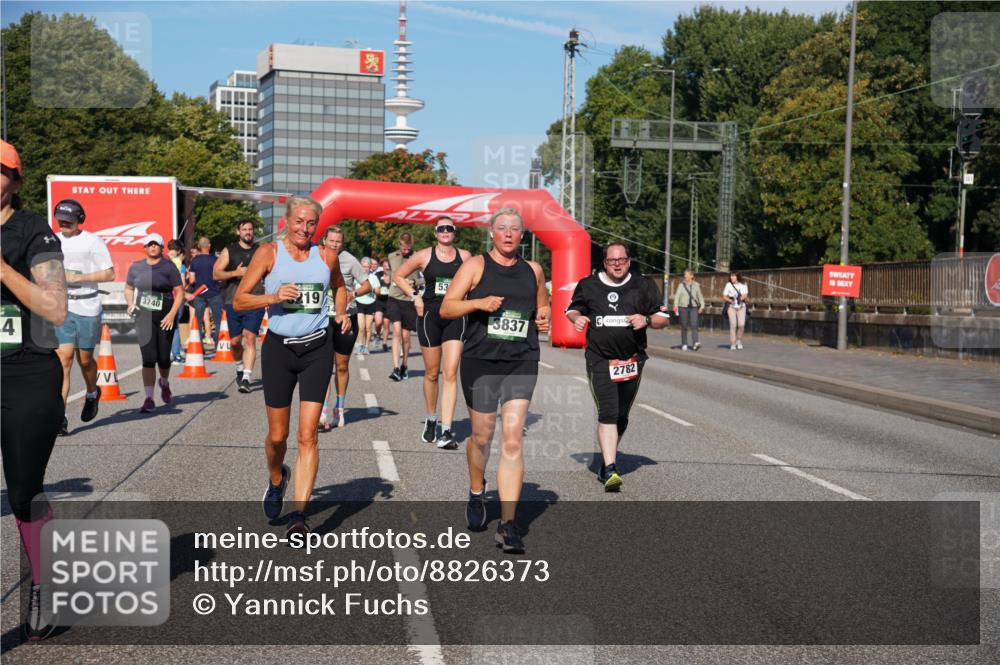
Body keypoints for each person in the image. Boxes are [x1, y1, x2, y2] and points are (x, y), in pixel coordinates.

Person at [234, 196, 348, 538]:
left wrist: (340, 312)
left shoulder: (326, 256)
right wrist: (273, 296)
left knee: (307, 435)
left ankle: (299, 516)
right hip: (279, 350)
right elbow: (240, 299)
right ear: (287, 220)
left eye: (311, 223)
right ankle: (276, 478)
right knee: (278, 436)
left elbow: (340, 288)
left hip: (317, 349)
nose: (305, 228)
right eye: (299, 221)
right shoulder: (269, 253)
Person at [440, 207, 550, 554]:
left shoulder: (533, 270)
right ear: (491, 233)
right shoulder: (474, 266)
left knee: (513, 439)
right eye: (501, 228)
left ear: (522, 235)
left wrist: (544, 317)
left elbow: (542, 306)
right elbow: (447, 308)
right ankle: (476, 489)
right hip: (481, 361)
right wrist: (478, 303)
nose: (507, 234)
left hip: (521, 360)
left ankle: (507, 524)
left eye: (514, 230)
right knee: (482, 437)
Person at [1, 139, 68, 640]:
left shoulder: (34, 233)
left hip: (25, 370)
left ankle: (44, 584)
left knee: (23, 492)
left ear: (15, 182)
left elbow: (55, 309)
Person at [565, 243, 670, 491]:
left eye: (621, 259)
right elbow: (572, 309)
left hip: (632, 360)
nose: (617, 264)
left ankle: (606, 458)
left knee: (621, 416)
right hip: (599, 358)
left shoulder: (642, 285)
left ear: (629, 261)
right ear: (604, 262)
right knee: (608, 412)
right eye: (612, 260)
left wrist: (646, 320)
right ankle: (611, 469)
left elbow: (663, 319)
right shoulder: (589, 284)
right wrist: (577, 318)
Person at [393, 217, 471, 449]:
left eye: (449, 228)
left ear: (454, 232)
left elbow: (477, 280)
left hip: (455, 317)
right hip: (430, 317)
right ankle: (431, 419)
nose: (445, 232)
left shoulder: (465, 257)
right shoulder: (424, 256)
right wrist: (414, 296)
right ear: (435, 233)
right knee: (432, 373)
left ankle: (446, 430)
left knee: (450, 372)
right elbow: (398, 276)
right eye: (441, 229)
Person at [52, 198, 114, 435]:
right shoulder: (53, 241)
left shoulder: (92, 242)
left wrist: (78, 278)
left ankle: (92, 392)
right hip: (63, 307)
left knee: (85, 360)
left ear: (79, 220)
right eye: (61, 220)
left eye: (69, 220)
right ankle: (60, 418)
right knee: (63, 359)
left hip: (88, 306)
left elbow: (109, 274)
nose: (64, 224)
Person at [318, 226, 371, 431]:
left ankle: (339, 407)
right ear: (325, 240)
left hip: (347, 317)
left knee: (341, 365)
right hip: (322, 318)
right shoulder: (317, 256)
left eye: (338, 241)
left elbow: (366, 284)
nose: (335, 244)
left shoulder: (349, 259)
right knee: (323, 365)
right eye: (331, 241)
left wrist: (354, 294)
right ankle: (322, 411)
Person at [125, 234, 184, 413]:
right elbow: (128, 289)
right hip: (143, 316)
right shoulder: (136, 267)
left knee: (164, 358)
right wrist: (130, 304)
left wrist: (172, 314)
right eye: (149, 245)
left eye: (156, 245)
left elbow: (179, 292)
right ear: (145, 247)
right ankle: (149, 398)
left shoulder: (169, 267)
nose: (152, 247)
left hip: (165, 315)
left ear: (161, 248)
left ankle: (164, 383)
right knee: (149, 358)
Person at [214, 220, 265, 393]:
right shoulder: (230, 250)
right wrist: (236, 272)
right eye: (244, 229)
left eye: (250, 229)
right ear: (238, 232)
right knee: (235, 342)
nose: (248, 232)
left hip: (255, 299)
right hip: (233, 300)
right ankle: (239, 367)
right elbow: (216, 274)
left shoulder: (261, 250)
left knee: (250, 337)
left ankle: (246, 378)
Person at [387, 233, 418, 380]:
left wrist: (415, 283)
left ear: (411, 245)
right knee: (397, 331)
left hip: (409, 300)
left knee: (406, 337)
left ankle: (405, 364)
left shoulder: (418, 257)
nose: (405, 251)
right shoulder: (392, 256)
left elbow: (424, 279)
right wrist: (388, 278)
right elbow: (389, 273)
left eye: (407, 248)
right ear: (399, 245)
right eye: (402, 248)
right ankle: (395, 368)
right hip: (394, 298)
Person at [188, 236, 223, 353]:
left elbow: (192, 280)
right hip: (215, 293)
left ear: (199, 247)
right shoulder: (215, 260)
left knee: (198, 321)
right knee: (218, 321)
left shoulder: (194, 261)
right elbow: (219, 277)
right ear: (209, 246)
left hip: (199, 294)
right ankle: (219, 347)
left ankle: (199, 348)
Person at [167, 240, 193, 365]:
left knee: (166, 325)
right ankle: (176, 355)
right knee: (175, 326)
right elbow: (182, 285)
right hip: (177, 297)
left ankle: (169, 352)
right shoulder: (180, 266)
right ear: (179, 251)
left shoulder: (165, 262)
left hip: (166, 297)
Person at [672, 268, 704, 351]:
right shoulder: (681, 285)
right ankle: (684, 343)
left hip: (693, 307)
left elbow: (700, 296)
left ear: (691, 276)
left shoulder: (696, 285)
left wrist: (702, 306)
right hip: (683, 307)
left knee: (694, 324)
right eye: (684, 274)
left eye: (686, 274)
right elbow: (677, 296)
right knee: (684, 325)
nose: (685, 276)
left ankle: (695, 343)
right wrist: (675, 306)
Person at [354, 256, 380, 357]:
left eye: (367, 266)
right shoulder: (356, 277)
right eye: (363, 266)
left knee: (368, 328)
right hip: (359, 302)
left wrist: (371, 289)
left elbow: (379, 292)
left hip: (371, 303)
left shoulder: (373, 278)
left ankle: (366, 346)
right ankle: (359, 345)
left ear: (370, 267)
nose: (365, 268)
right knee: (361, 327)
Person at [722, 271, 749, 350]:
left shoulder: (743, 284)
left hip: (741, 306)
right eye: (731, 276)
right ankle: (733, 343)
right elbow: (724, 296)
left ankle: (739, 340)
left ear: (737, 277)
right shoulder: (728, 285)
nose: (732, 278)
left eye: (733, 276)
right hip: (731, 306)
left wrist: (740, 298)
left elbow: (745, 295)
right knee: (733, 325)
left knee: (741, 325)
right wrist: (730, 300)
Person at [373, 258, 391, 352]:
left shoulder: (394, 276)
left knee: (386, 324)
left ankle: (384, 343)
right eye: (384, 266)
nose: (386, 268)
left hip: (389, 302)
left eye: (388, 267)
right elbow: (373, 285)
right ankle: (377, 334)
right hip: (379, 301)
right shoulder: (377, 275)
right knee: (378, 322)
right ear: (382, 267)